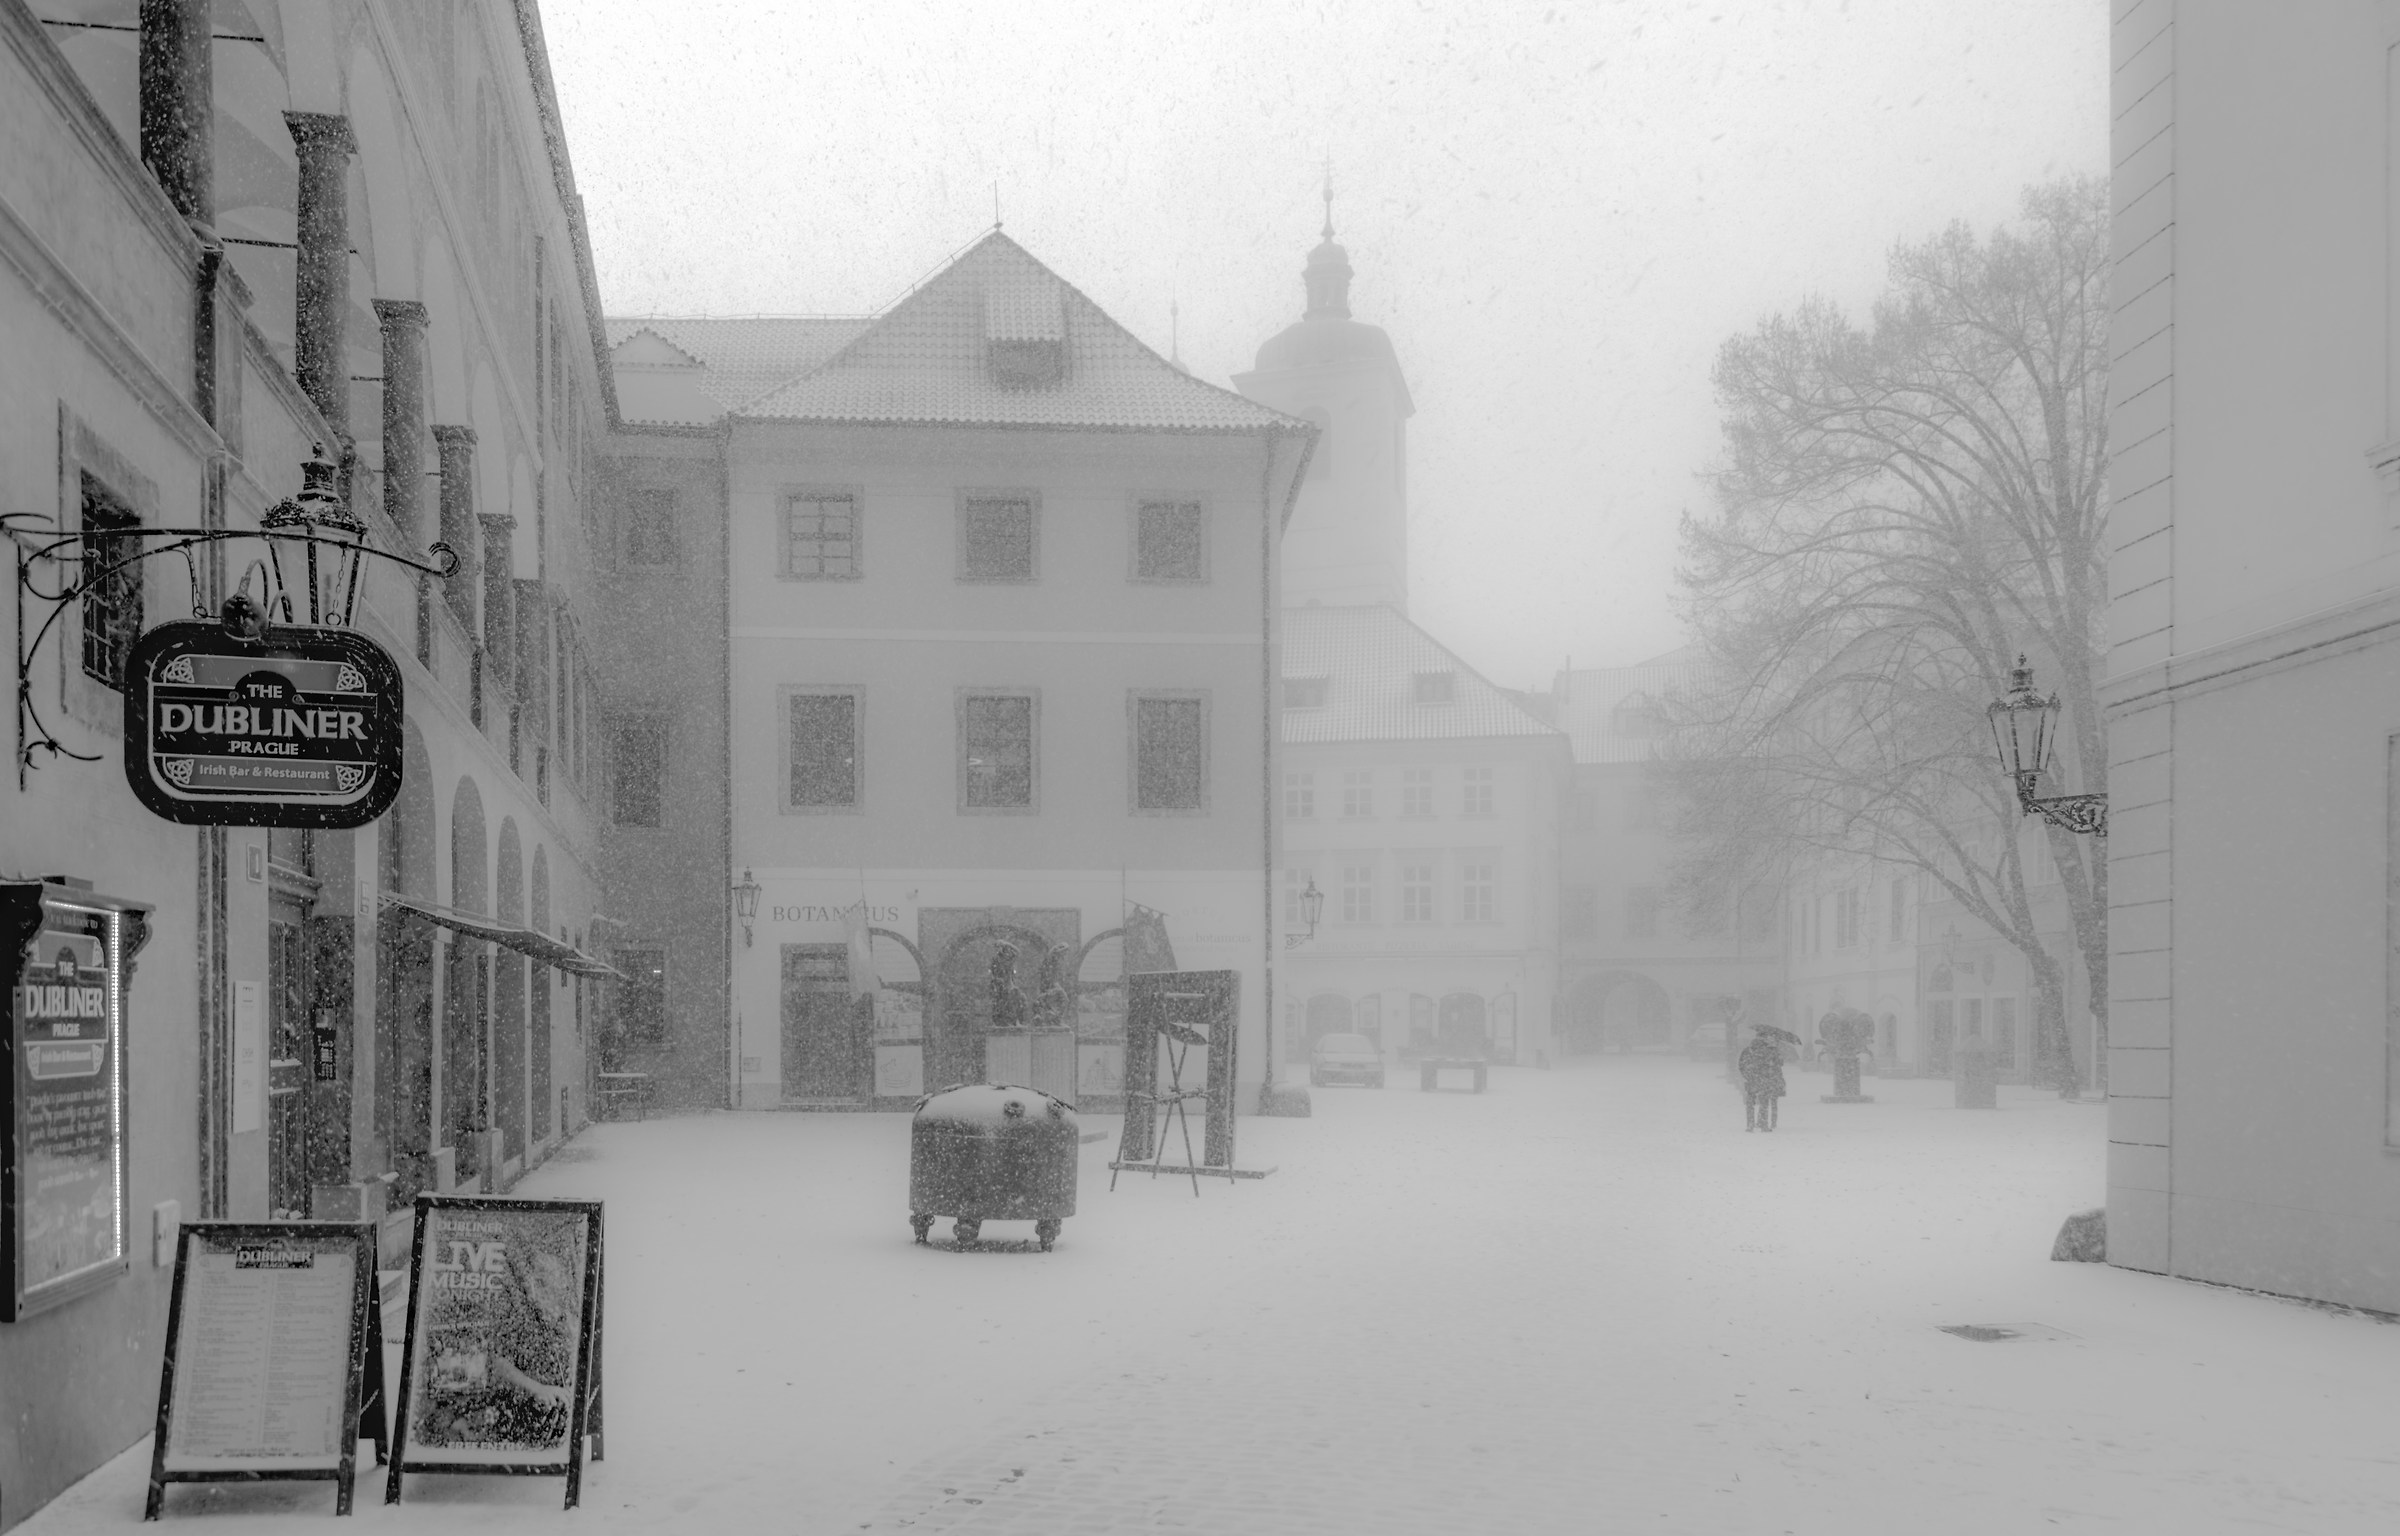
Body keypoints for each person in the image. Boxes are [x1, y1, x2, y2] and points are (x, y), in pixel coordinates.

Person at [1739, 1025, 1786, 1132]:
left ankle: (1750, 1125)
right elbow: (1779, 1063)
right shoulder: (1770, 1050)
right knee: (1764, 1101)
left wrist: (1747, 1076)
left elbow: (1741, 1064)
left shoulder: (1748, 1049)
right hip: (1765, 1079)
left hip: (1751, 1079)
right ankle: (1763, 1123)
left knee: (1750, 1102)